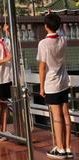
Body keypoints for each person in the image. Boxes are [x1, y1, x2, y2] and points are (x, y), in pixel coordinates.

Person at [37, 12, 71, 159]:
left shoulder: (43, 44)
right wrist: (52, 17)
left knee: (56, 116)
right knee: (65, 115)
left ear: (45, 26)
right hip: (64, 81)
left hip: (51, 84)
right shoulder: (63, 39)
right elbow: (59, 30)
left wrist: (41, 87)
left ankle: (60, 148)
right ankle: (68, 147)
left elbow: (42, 67)